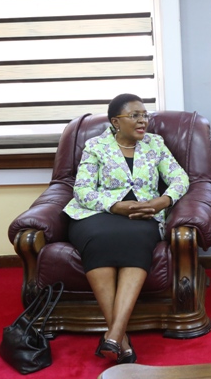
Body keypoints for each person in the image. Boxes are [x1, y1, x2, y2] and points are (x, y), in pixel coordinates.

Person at [64, 93, 189, 364]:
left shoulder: (155, 144)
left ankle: (113, 336)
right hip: (96, 215)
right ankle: (119, 337)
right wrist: (115, 206)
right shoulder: (95, 146)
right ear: (116, 122)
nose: (143, 120)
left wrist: (163, 201)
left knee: (136, 240)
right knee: (98, 240)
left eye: (144, 115)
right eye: (135, 115)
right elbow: (82, 190)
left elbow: (180, 177)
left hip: (142, 217)